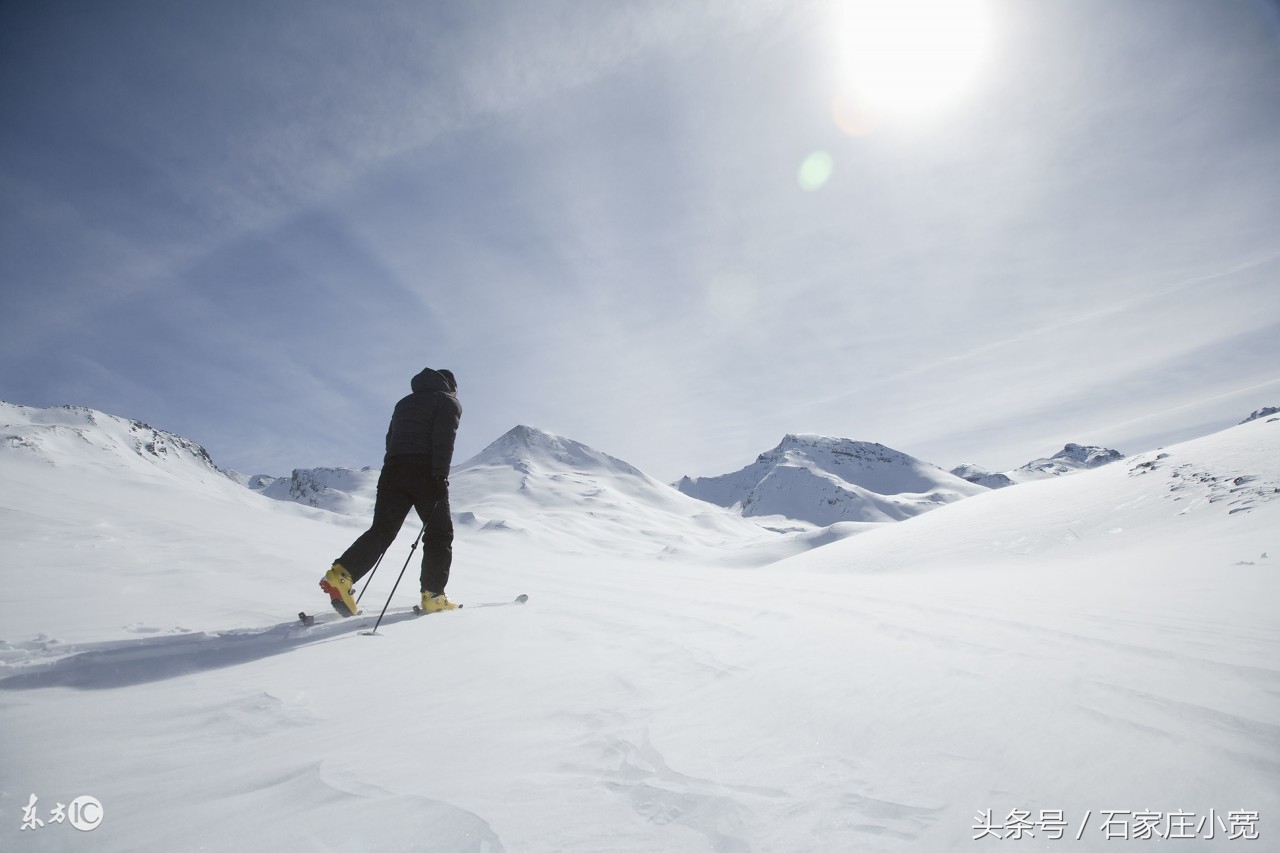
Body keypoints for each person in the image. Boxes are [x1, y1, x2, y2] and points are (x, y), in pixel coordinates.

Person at [320, 367, 462, 616]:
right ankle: (433, 595)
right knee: (439, 534)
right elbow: (443, 439)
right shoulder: (447, 402)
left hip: (392, 471)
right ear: (450, 386)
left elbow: (391, 440)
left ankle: (342, 574)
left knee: (382, 530)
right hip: (426, 473)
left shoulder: (404, 403)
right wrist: (440, 475)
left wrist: (396, 467)